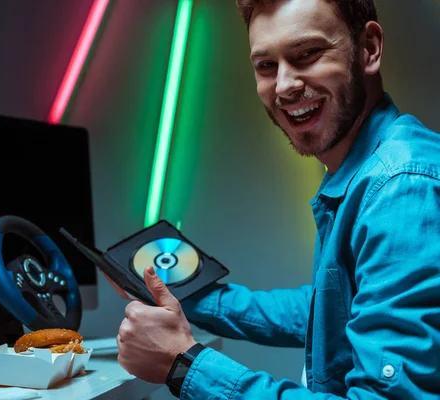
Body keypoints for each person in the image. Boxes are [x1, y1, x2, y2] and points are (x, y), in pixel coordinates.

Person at [107, 0, 440, 398]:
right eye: (266, 66)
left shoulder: (400, 187)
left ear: (368, 47)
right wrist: (187, 294)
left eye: (306, 55)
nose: (284, 86)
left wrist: (185, 365)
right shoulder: (366, 170)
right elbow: (329, 308)